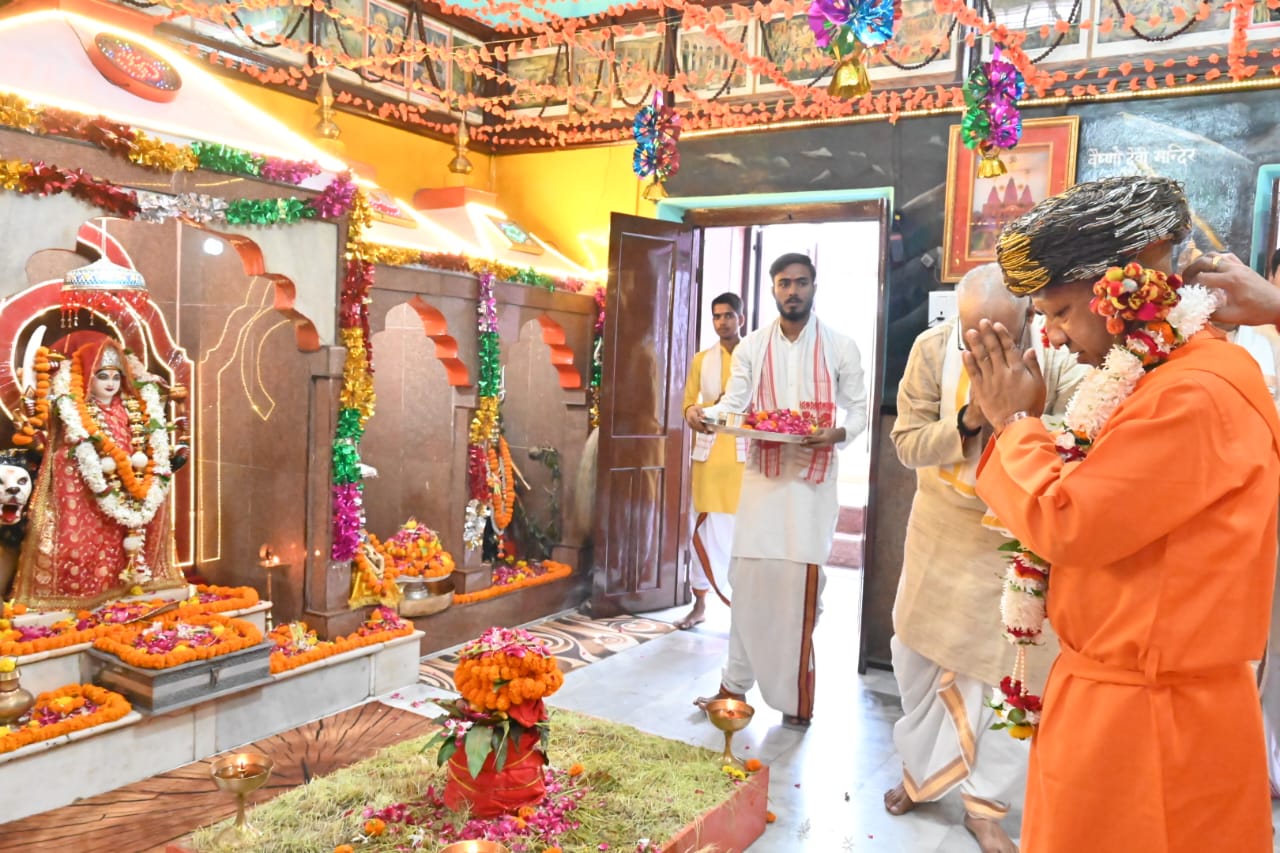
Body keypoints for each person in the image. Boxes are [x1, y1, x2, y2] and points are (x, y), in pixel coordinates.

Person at [964, 175, 1280, 851]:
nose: (1050, 337)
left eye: (1060, 311)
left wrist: (1014, 422)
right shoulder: (1160, 377)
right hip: (1126, 704)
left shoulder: (1193, 393)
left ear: (1124, 288)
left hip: (1153, 727)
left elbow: (1069, 520)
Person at [884, 263, 1089, 853]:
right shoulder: (930, 350)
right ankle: (920, 777)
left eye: (1001, 336)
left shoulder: (1061, 355)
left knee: (1012, 677)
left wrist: (1019, 413)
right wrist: (972, 418)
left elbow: (1080, 447)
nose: (986, 349)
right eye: (973, 336)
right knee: (915, 655)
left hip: (1019, 537)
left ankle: (986, 806)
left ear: (1027, 316)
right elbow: (906, 445)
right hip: (940, 531)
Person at [687, 252, 867, 730]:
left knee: (798, 594)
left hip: (811, 489)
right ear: (773, 289)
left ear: (814, 287)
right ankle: (733, 685)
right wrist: (703, 414)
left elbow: (858, 410)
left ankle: (794, 698)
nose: (793, 291)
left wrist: (839, 434)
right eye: (784, 283)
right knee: (748, 586)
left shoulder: (841, 346)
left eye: (801, 283)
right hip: (762, 483)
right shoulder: (752, 347)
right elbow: (734, 403)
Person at [12, 334, 185, 609]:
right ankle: (81, 593)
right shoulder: (73, 406)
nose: (110, 384)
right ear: (87, 378)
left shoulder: (131, 407)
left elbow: (148, 439)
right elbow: (52, 436)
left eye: (116, 377)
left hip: (131, 485)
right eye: (102, 376)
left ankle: (130, 582)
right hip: (86, 486)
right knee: (81, 542)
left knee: (130, 530)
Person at [676, 293, 747, 630]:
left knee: (742, 535)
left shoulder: (755, 357)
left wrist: (727, 406)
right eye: (717, 316)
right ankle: (700, 604)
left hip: (745, 458)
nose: (722, 322)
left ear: (741, 319)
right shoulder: (701, 360)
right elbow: (688, 402)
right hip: (708, 458)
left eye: (729, 315)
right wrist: (696, 410)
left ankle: (744, 609)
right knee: (702, 531)